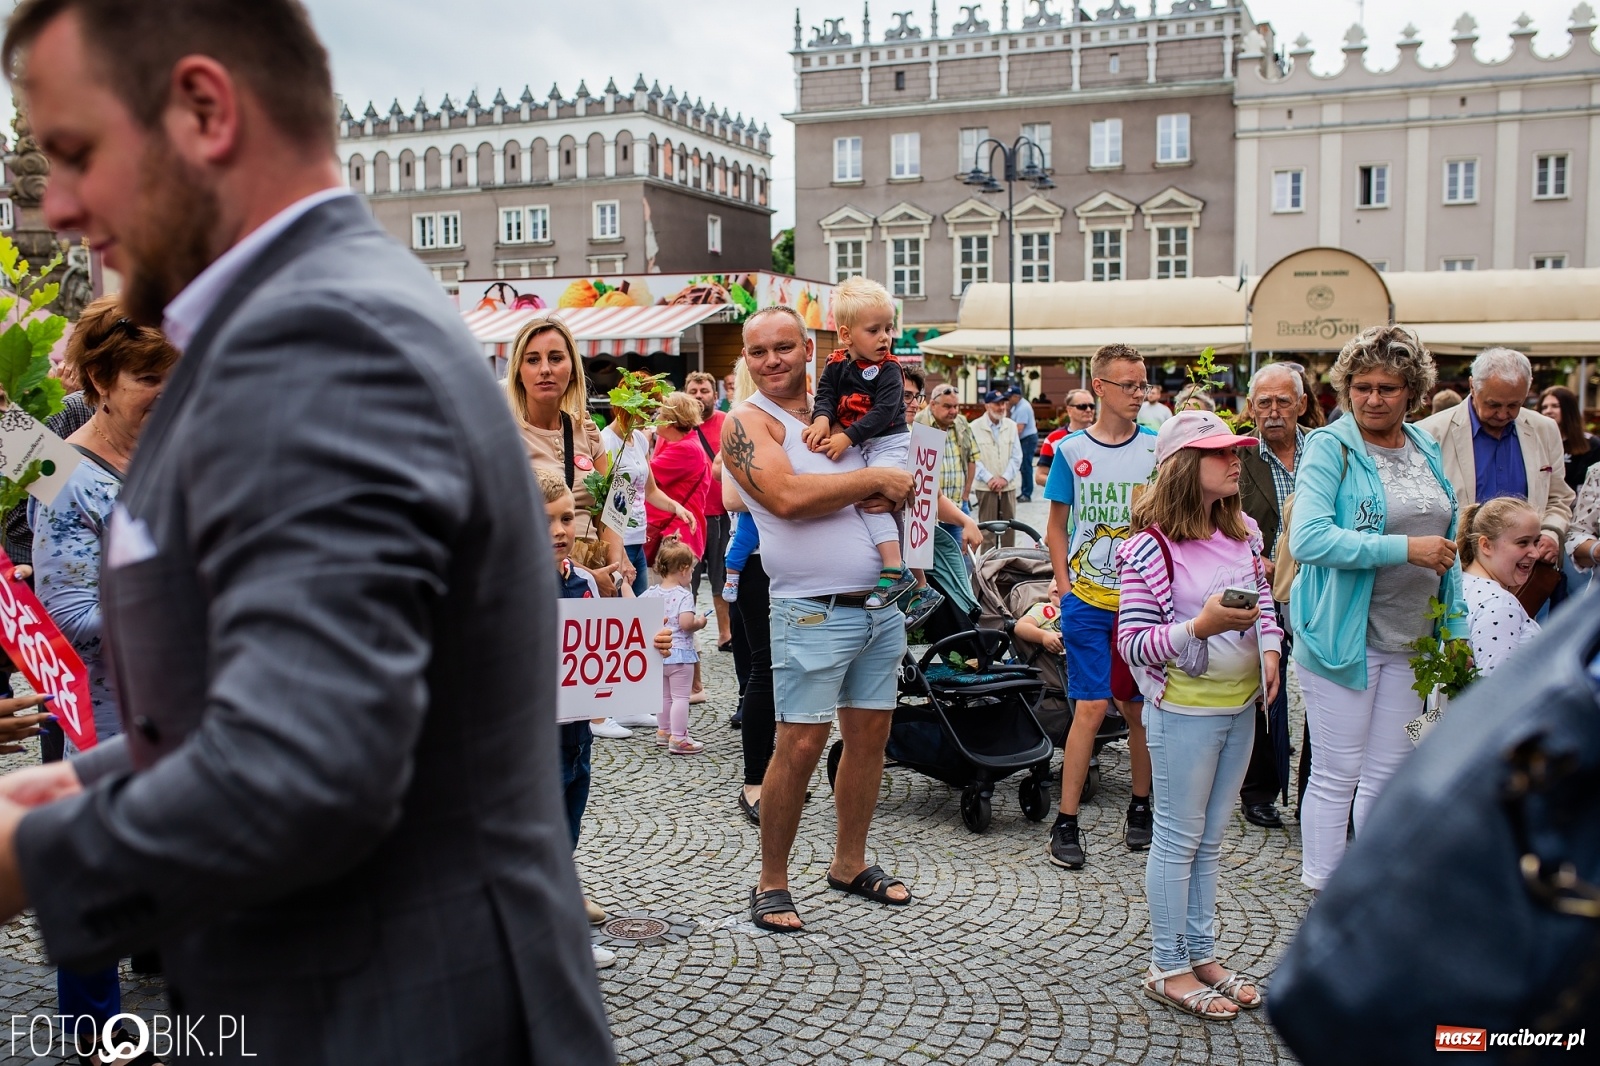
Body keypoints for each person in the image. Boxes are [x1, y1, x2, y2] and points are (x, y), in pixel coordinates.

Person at [0, 3, 615, 1060]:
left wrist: (25, 847)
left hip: (402, 1015)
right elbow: (275, 702)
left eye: (74, 152)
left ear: (203, 108)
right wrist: (64, 785)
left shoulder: (318, 335)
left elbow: (304, 764)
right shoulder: (296, 319)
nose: (54, 206)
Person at [724, 304, 915, 933]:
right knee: (800, 743)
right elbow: (786, 497)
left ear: (809, 349)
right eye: (759, 352)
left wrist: (901, 481)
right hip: (810, 610)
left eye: (783, 347)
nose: (772, 360)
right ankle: (772, 881)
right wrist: (876, 478)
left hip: (881, 603)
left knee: (870, 738)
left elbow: (902, 479)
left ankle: (849, 862)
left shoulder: (845, 405)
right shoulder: (747, 424)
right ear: (747, 360)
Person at [28, 296, 179, 1062]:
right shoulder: (60, 471)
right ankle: (96, 1035)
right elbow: (69, 614)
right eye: (150, 376)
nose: (169, 393)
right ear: (99, 378)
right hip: (101, 718)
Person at [1116, 410, 1280, 1021]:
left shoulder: (1244, 532)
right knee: (1179, 839)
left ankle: (1201, 953)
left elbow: (1263, 600)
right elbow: (1132, 642)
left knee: (1209, 841)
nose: (1236, 458)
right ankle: (1167, 964)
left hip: (1240, 706)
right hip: (1183, 710)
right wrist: (1200, 627)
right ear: (1186, 465)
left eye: (1238, 449)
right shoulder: (1149, 548)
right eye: (1221, 453)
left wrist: (1269, 649)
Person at [1289, 324, 1464, 894]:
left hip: (1414, 638)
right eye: (1361, 386)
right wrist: (1402, 548)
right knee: (1337, 775)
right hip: (1345, 636)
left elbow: (1448, 546)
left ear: (1411, 390)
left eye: (1386, 387)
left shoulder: (1425, 446)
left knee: (1388, 777)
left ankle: (1369, 892)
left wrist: (1453, 627)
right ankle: (1321, 893)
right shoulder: (1330, 447)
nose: (1372, 399)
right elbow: (1309, 540)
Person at [1042, 343, 1159, 869]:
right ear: (1103, 388)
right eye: (1130, 385)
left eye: (1144, 385)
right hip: (1086, 600)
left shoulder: (1158, 449)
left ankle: (1140, 807)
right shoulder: (1069, 451)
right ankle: (1065, 822)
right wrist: (1064, 586)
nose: (1140, 393)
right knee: (1088, 708)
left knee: (1137, 709)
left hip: (1139, 602)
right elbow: (1057, 526)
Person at [538, 468, 618, 971]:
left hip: (577, 737)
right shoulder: (507, 585)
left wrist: (644, 648)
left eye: (567, 518)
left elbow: (608, 645)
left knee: (566, 833)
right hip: (531, 742)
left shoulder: (585, 581)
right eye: (543, 521)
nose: (559, 531)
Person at [802, 276, 918, 610]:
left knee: (872, 500)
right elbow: (824, 396)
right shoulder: (836, 363)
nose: (885, 338)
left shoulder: (890, 369)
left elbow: (883, 413)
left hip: (890, 442)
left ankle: (896, 571)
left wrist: (846, 437)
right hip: (865, 446)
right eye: (874, 330)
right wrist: (822, 418)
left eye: (889, 328)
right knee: (873, 503)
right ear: (845, 334)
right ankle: (910, 577)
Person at [1417, 348, 1573, 578]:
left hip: (1528, 574)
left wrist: (1550, 532)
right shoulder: (1430, 433)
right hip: (1458, 573)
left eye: (1514, 405)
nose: (1502, 414)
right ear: (1472, 386)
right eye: (1493, 404)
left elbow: (1559, 498)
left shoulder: (1545, 429)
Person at [507, 315, 631, 598]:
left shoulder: (586, 431)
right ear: (518, 371)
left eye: (555, 358)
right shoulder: (505, 440)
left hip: (599, 579)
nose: (545, 369)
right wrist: (583, 575)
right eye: (533, 360)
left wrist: (614, 570)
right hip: (537, 585)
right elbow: (508, 531)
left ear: (573, 369)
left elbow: (612, 507)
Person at [1234, 363, 1307, 829]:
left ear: (1301, 404)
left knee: (1326, 694)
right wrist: (1253, 558)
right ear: (1252, 407)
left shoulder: (1326, 449)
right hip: (1261, 588)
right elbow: (1223, 519)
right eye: (1265, 403)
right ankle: (1258, 790)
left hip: (1320, 588)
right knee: (1266, 686)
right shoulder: (1240, 456)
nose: (1274, 412)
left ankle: (1316, 797)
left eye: (1284, 402)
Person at [599, 383, 697, 597]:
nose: (650, 417)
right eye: (648, 410)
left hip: (639, 539)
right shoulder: (606, 442)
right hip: (619, 543)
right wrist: (620, 552)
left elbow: (650, 491)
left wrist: (676, 507)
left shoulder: (640, 440)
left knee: (642, 614)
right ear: (631, 405)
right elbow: (604, 505)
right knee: (624, 613)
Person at [1457, 497, 1543, 677]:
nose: (1535, 553)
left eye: (1536, 542)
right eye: (1523, 542)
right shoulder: (1498, 604)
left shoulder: (1460, 584)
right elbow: (1496, 689)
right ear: (1486, 545)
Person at [640, 535, 707, 754]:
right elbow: (686, 624)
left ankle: (663, 731)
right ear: (684, 568)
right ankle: (679, 738)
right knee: (680, 698)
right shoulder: (683, 595)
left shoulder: (651, 592)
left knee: (663, 696)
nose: (692, 574)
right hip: (680, 654)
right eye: (692, 570)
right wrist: (700, 622)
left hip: (659, 653)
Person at [685, 370, 732, 650]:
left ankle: (726, 634)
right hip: (688, 517)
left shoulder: (727, 422)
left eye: (704, 391)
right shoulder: (676, 425)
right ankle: (687, 635)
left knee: (721, 578)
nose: (699, 396)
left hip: (720, 513)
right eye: (694, 391)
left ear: (715, 395)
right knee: (685, 579)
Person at [919, 383, 979, 537]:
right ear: (933, 405)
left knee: (963, 558)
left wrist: (965, 495)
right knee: (930, 559)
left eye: (956, 406)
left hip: (959, 505)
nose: (953, 411)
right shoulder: (918, 423)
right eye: (947, 406)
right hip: (928, 508)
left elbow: (972, 457)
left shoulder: (961, 423)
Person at [973, 390, 1022, 550]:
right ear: (987, 406)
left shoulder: (1011, 426)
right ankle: (988, 571)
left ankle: (1009, 568)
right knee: (987, 534)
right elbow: (973, 459)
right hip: (985, 486)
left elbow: (1017, 456)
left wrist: (1004, 478)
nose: (1001, 407)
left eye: (1003, 403)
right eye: (997, 403)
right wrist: (989, 479)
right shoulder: (974, 427)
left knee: (1010, 530)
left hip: (1008, 486)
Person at [1539, 385, 1599, 494]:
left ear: (1569, 409)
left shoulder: (1591, 444)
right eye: (1544, 407)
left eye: (1555, 406)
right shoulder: (1536, 442)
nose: (1548, 411)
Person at [1035, 388, 1096, 490]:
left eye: (1092, 406)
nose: (1088, 410)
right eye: (1082, 406)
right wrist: (1066, 485)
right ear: (1069, 410)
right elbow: (1039, 476)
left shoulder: (1104, 436)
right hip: (1064, 503)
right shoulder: (1053, 439)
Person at [1008, 384, 1039, 503]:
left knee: (1026, 466)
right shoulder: (1016, 406)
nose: (1009, 399)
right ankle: (1024, 491)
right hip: (1024, 438)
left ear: (1016, 396)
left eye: (1010, 397)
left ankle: (1027, 493)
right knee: (1023, 466)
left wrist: (1010, 442)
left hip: (1027, 439)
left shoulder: (1023, 408)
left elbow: (1019, 428)